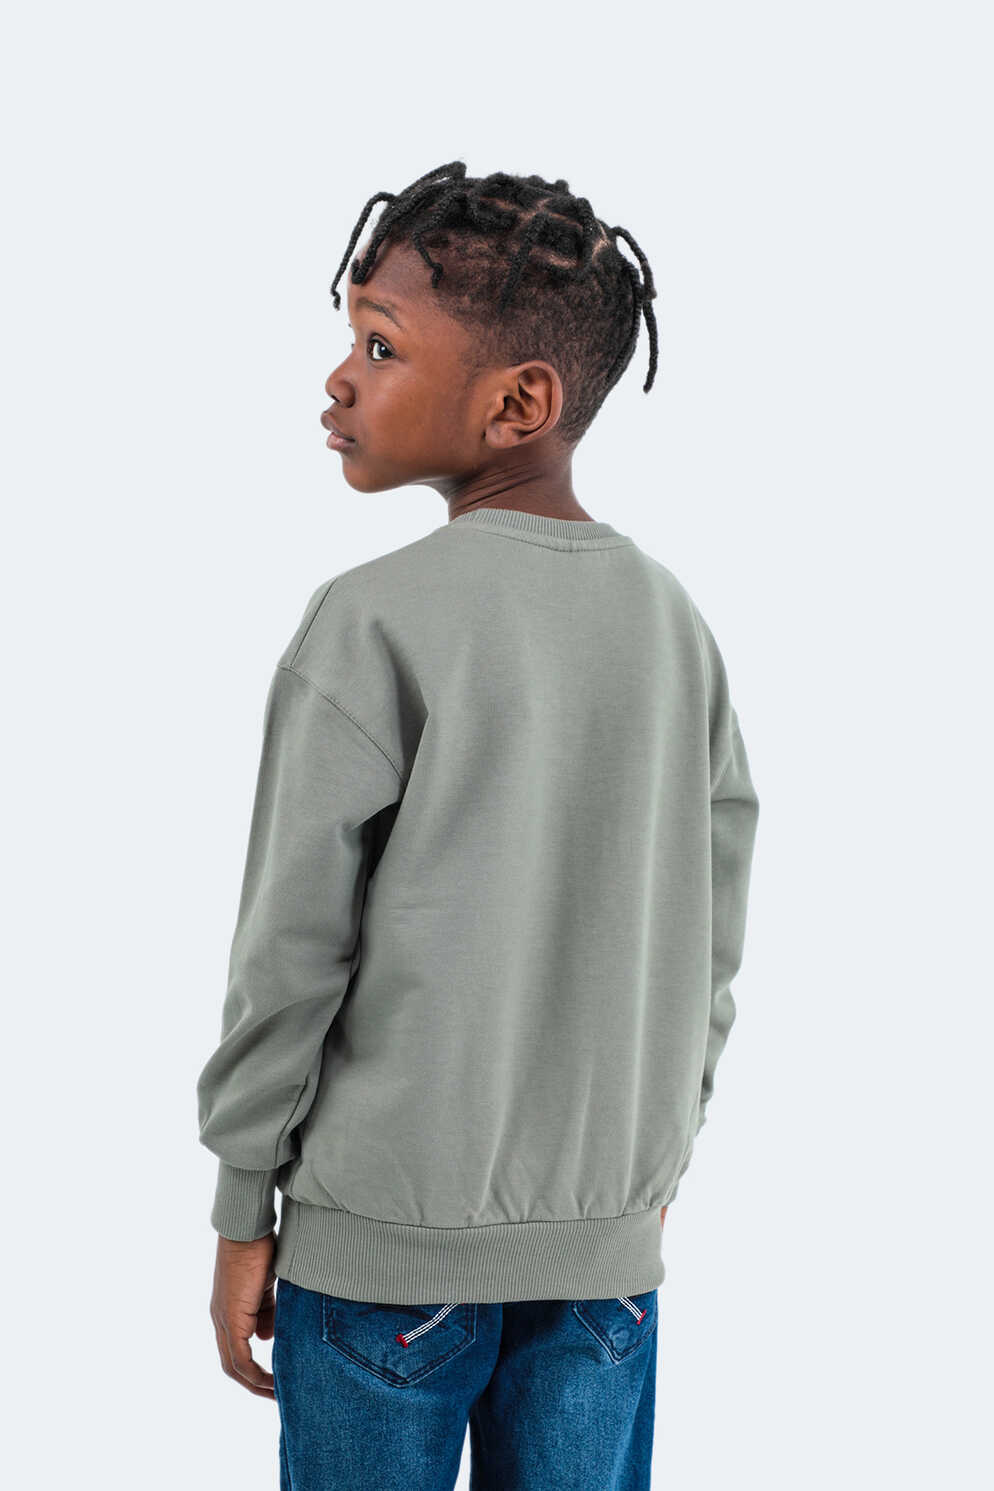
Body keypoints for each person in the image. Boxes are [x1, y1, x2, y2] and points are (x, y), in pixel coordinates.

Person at [195, 159, 760, 1491]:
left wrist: (240, 1202)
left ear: (519, 403)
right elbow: (713, 935)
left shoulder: (371, 619)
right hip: (605, 1264)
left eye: (381, 346)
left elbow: (290, 953)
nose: (341, 379)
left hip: (382, 1256)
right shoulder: (673, 625)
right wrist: (650, 1163)